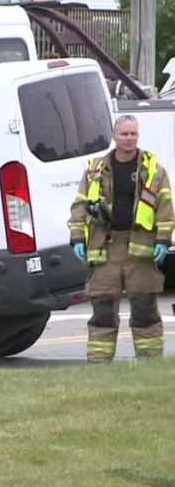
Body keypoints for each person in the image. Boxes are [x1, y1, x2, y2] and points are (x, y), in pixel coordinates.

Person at [68, 114, 173, 363]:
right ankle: (99, 366)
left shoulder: (153, 170)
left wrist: (163, 239)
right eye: (124, 134)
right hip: (106, 248)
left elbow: (165, 205)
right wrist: (77, 237)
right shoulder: (96, 170)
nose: (129, 138)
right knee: (102, 309)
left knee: (144, 307)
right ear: (115, 136)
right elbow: (80, 205)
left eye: (133, 134)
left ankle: (150, 365)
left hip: (141, 248)